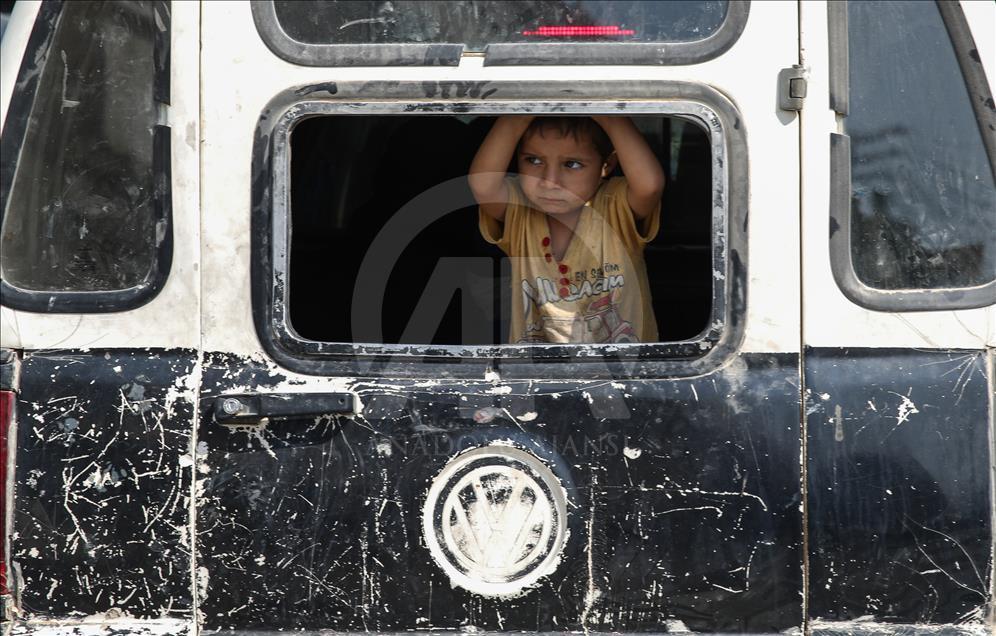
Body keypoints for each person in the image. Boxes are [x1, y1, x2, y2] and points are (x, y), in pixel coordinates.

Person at [468, 115, 665, 344]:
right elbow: (483, 185)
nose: (550, 182)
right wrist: (516, 117)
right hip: (536, 376)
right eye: (533, 160)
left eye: (572, 164)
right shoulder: (520, 212)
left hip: (624, 374)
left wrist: (609, 116)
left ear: (606, 165)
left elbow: (650, 186)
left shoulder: (614, 207)